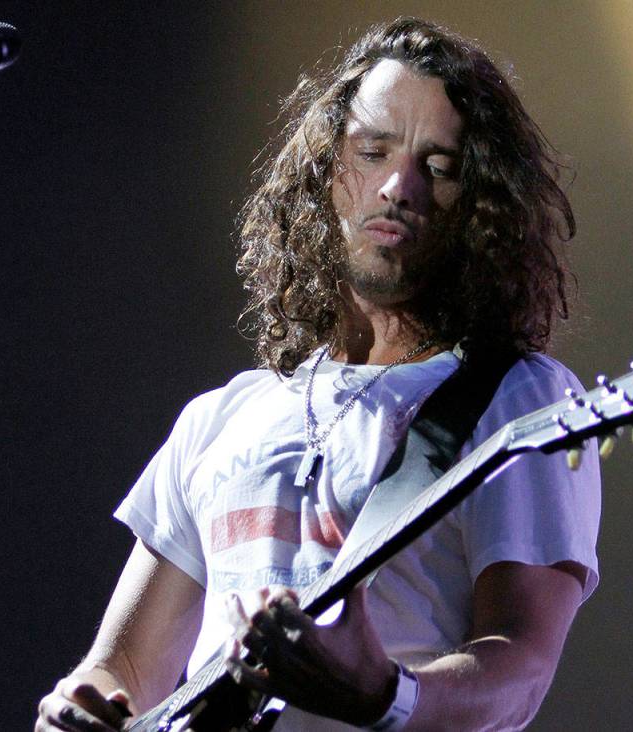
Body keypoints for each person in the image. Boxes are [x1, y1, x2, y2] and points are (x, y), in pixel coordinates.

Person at [36, 17, 600, 732]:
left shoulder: (517, 399)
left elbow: (520, 669)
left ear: (480, 204)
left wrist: (383, 693)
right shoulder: (221, 418)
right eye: (374, 149)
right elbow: (123, 668)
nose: (399, 185)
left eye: (439, 165)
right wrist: (77, 704)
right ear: (330, 172)